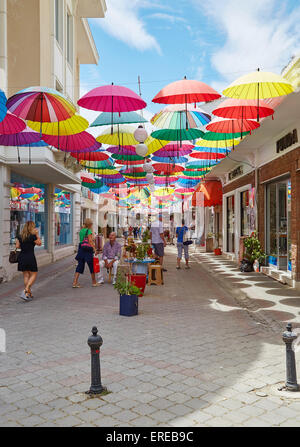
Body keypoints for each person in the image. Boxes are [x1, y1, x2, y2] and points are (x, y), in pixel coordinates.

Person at [16, 221, 42, 301]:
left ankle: (28, 294)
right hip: (30, 256)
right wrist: (37, 235)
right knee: (34, 273)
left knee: (26, 275)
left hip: (22, 257)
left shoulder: (20, 236)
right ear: (32, 228)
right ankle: (26, 290)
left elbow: (17, 246)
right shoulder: (33, 236)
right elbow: (39, 243)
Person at [73, 218, 99, 288]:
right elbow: (90, 241)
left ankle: (75, 282)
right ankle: (94, 282)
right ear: (90, 224)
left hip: (81, 248)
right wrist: (95, 249)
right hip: (88, 250)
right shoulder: (89, 231)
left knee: (80, 265)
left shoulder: (81, 231)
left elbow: (81, 240)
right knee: (91, 266)